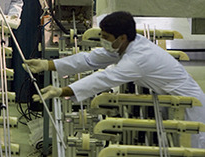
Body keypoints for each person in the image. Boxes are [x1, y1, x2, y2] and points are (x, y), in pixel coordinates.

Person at [25, 11, 205, 148]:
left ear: (122, 38)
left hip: (190, 107)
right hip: (172, 100)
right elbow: (90, 59)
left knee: (188, 148)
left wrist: (62, 91)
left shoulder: (136, 59)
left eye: (106, 37)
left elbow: (105, 78)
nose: (102, 40)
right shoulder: (129, 44)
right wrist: (48, 65)